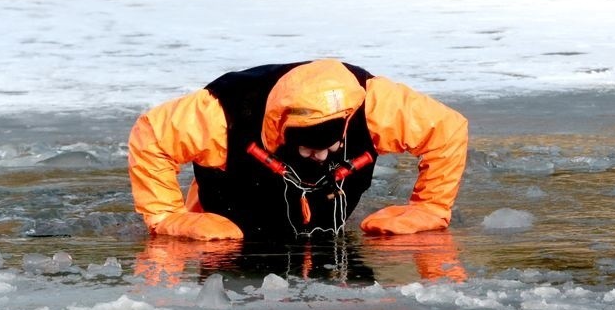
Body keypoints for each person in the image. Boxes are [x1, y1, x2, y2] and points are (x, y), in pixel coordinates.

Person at [128, 59, 468, 241]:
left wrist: (430, 207)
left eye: (330, 148)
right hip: (225, 234)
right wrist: (166, 216)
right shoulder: (220, 113)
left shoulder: (375, 103)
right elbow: (152, 135)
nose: (320, 158)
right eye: (308, 149)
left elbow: (447, 130)